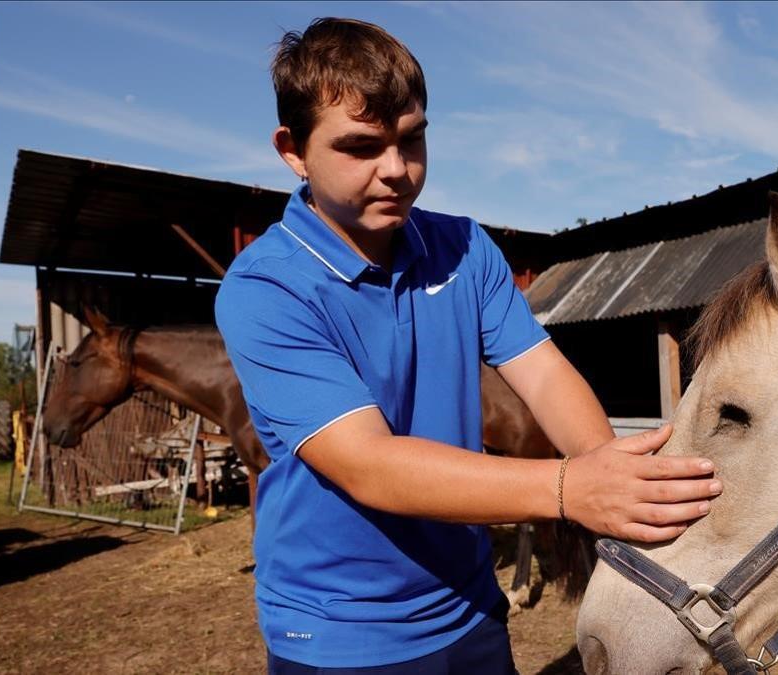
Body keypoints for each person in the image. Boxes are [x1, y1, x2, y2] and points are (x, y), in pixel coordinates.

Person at [214, 17, 722, 674]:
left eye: (412, 139)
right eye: (361, 147)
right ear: (293, 149)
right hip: (342, 633)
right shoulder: (266, 288)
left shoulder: (463, 247)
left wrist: (614, 479)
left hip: (469, 606)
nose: (396, 169)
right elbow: (367, 463)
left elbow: (542, 374)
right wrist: (571, 488)